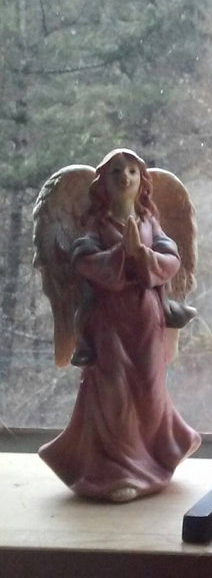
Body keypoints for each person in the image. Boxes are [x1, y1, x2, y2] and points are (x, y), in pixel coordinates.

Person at [38, 149, 201, 502]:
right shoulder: (97, 225)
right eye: (116, 172)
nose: (125, 177)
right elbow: (82, 261)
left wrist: (143, 254)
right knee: (113, 392)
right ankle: (118, 471)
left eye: (131, 171)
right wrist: (119, 255)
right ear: (103, 183)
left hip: (146, 320)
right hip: (108, 321)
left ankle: (159, 454)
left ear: (142, 181)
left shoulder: (149, 222)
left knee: (149, 389)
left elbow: (172, 260)